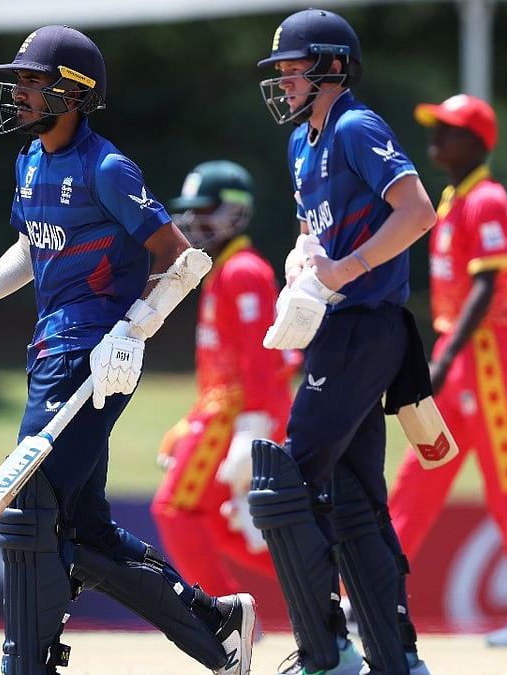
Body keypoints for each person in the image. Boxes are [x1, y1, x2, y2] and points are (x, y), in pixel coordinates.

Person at [0, 24, 256, 675]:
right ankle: (217, 626)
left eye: (33, 81)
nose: (19, 92)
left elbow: (180, 258)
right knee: (82, 529)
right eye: (20, 81)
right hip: (50, 352)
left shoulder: (107, 167)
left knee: (30, 510)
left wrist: (134, 329)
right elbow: (33, 250)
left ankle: (26, 662)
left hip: (98, 358)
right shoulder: (29, 162)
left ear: (73, 94)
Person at [250, 8, 437, 675]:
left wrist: (344, 268)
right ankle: (398, 654)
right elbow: (314, 236)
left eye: (293, 69)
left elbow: (418, 211)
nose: (283, 82)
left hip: (368, 325)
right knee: (354, 494)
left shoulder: (357, 127)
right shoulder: (302, 142)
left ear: (331, 66)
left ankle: (327, 651)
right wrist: (301, 267)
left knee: (285, 485)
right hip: (335, 329)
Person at [387, 94, 507, 649]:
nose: (436, 136)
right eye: (436, 127)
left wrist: (441, 359)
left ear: (477, 142)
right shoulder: (454, 197)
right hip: (464, 352)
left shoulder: (485, 199)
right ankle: (366, 600)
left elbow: (488, 288)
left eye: (449, 128)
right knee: (422, 476)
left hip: (485, 355)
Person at [150, 160, 297, 601]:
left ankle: (223, 619)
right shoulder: (224, 269)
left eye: (205, 209)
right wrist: (188, 422)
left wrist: (253, 434)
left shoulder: (242, 271)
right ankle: (333, 588)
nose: (193, 220)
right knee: (214, 521)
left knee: (175, 510)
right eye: (190, 210)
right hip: (220, 415)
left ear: (235, 212)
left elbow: (262, 361)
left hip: (235, 418)